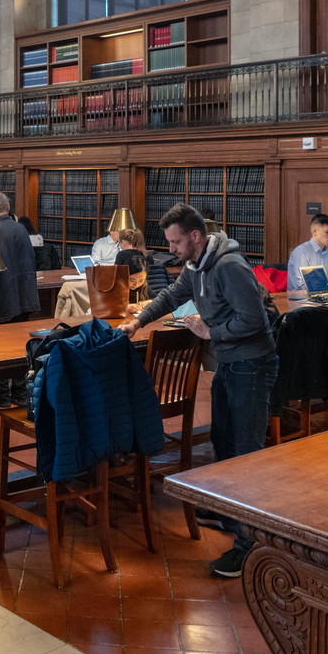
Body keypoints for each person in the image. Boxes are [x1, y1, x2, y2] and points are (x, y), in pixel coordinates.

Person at [118, 203, 277, 579]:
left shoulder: (229, 267)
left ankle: (249, 546)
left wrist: (210, 333)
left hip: (251, 364)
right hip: (230, 362)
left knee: (247, 453)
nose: (169, 249)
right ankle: (228, 513)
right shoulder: (196, 265)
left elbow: (253, 320)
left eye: (174, 242)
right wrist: (138, 321)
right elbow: (172, 296)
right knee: (223, 442)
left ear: (194, 237)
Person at [0, 192, 40, 408]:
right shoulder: (21, 228)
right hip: (24, 295)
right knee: (20, 346)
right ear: (9, 206)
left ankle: (1, 395)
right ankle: (20, 393)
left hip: (2, 297)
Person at [287, 213, 328, 291]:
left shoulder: (327, 252)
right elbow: (301, 285)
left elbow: (327, 279)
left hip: (320, 296)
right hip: (300, 299)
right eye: (327, 232)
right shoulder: (301, 252)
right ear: (315, 231)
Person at [115, 249, 152, 314]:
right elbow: (102, 308)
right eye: (132, 280)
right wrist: (124, 308)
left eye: (141, 280)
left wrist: (149, 302)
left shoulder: (143, 286)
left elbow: (158, 299)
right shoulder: (112, 285)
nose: (136, 284)